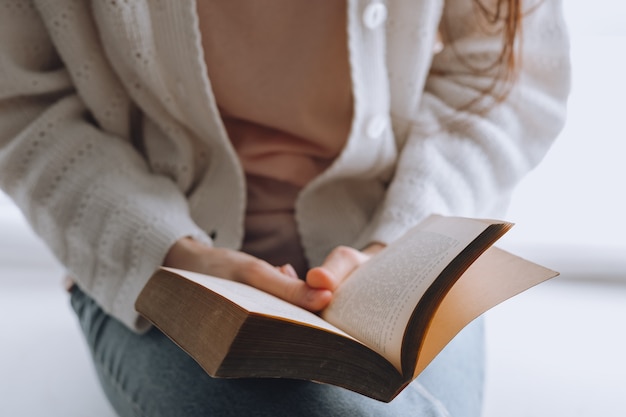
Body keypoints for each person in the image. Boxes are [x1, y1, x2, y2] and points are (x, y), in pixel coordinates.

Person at [0, 0, 570, 416]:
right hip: (149, 273)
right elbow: (24, 104)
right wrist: (177, 253)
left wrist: (396, 247)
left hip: (405, 254)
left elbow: (502, 77)